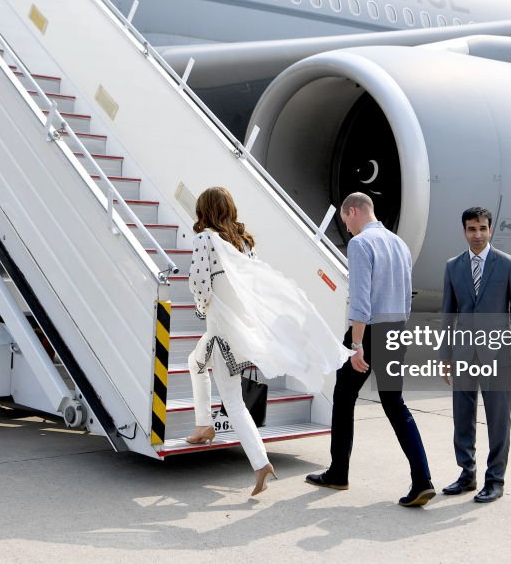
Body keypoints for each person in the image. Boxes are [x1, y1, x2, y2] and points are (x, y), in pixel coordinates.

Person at [185, 187, 348, 496]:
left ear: (204, 210)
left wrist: (202, 307)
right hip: (240, 329)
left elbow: (198, 282)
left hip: (221, 331)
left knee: (232, 400)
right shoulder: (245, 243)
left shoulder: (204, 239)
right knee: (194, 362)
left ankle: (260, 464)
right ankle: (203, 425)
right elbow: (254, 286)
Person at [306, 192, 435, 507]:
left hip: (370, 333)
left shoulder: (361, 244)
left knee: (344, 396)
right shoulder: (399, 244)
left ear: (354, 211)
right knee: (395, 404)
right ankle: (423, 480)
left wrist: (357, 344)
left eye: (345, 220)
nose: (346, 228)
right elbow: (406, 296)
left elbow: (361, 301)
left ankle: (339, 473)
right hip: (397, 330)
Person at [439, 206, 511, 503]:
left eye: (482, 228)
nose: (477, 234)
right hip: (463, 354)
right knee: (462, 417)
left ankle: (495, 480)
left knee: (497, 419)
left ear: (490, 229)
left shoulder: (508, 265)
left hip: (496, 355)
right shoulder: (453, 266)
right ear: (464, 231)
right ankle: (466, 474)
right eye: (471, 229)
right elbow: (448, 314)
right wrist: (445, 356)